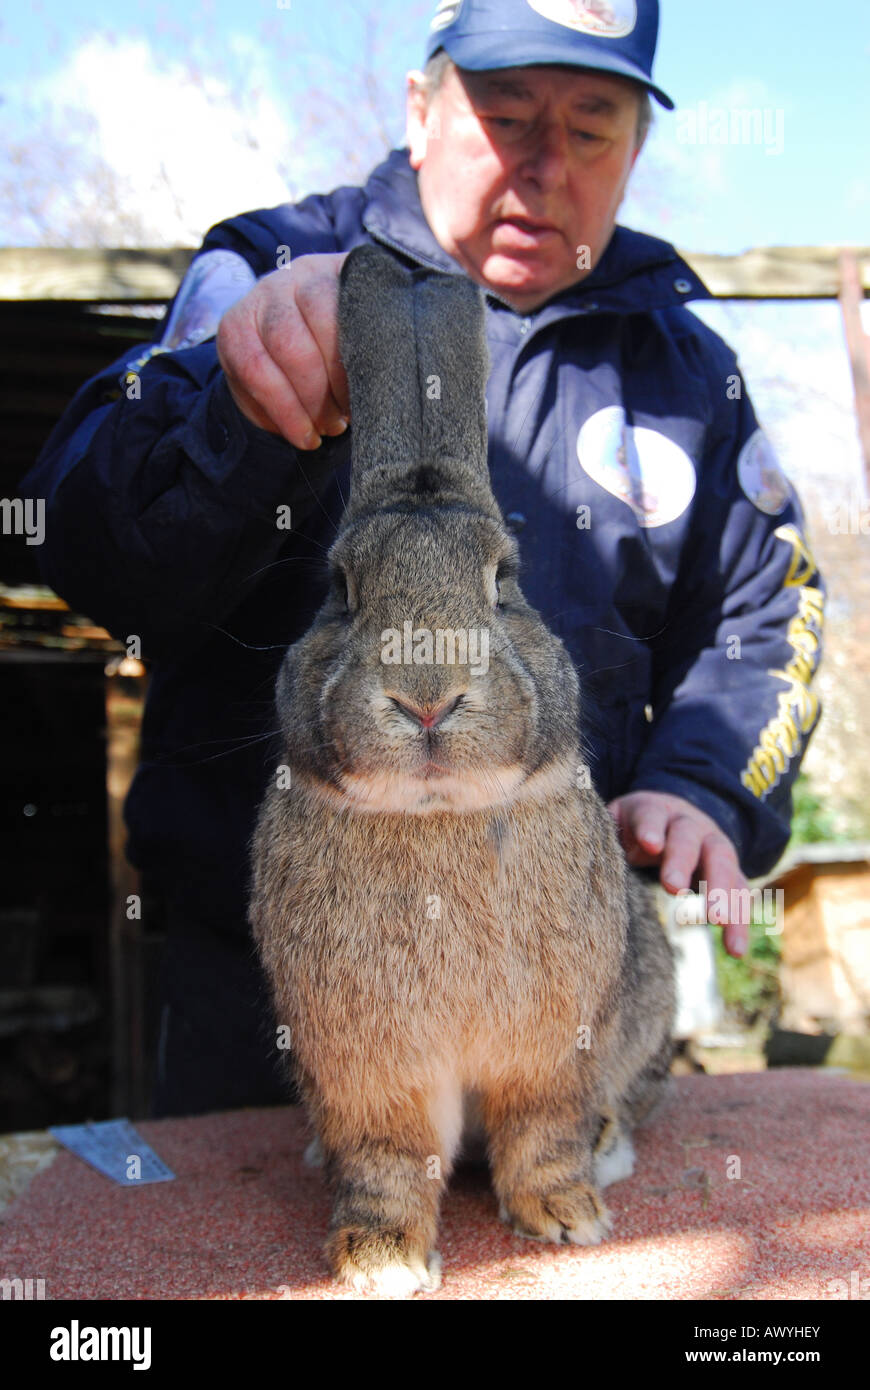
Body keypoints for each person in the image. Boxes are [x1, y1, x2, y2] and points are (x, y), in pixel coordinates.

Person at [20, 0, 825, 1117]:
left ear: (637, 144)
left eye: (592, 128)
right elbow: (86, 538)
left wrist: (700, 784)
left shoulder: (687, 371)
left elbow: (766, 613)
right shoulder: (271, 265)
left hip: (551, 1000)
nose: (544, 169)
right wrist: (235, 412)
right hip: (276, 1000)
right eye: (506, 115)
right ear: (420, 109)